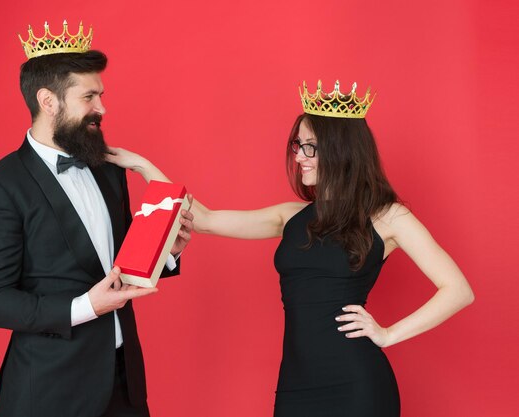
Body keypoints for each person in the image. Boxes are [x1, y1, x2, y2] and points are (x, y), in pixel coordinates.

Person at [107, 80, 474, 417]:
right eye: (298, 145)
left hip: (356, 384)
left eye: (310, 147)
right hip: (296, 384)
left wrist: (389, 334)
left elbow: (458, 290)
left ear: (341, 150)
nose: (299, 156)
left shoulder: (388, 217)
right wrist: (142, 165)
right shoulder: (290, 216)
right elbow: (201, 218)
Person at [0, 21, 194, 417]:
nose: (102, 108)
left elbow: (119, 262)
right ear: (48, 100)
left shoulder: (106, 167)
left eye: (101, 95)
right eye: (89, 96)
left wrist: (166, 253)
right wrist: (87, 305)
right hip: (50, 394)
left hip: (125, 385)